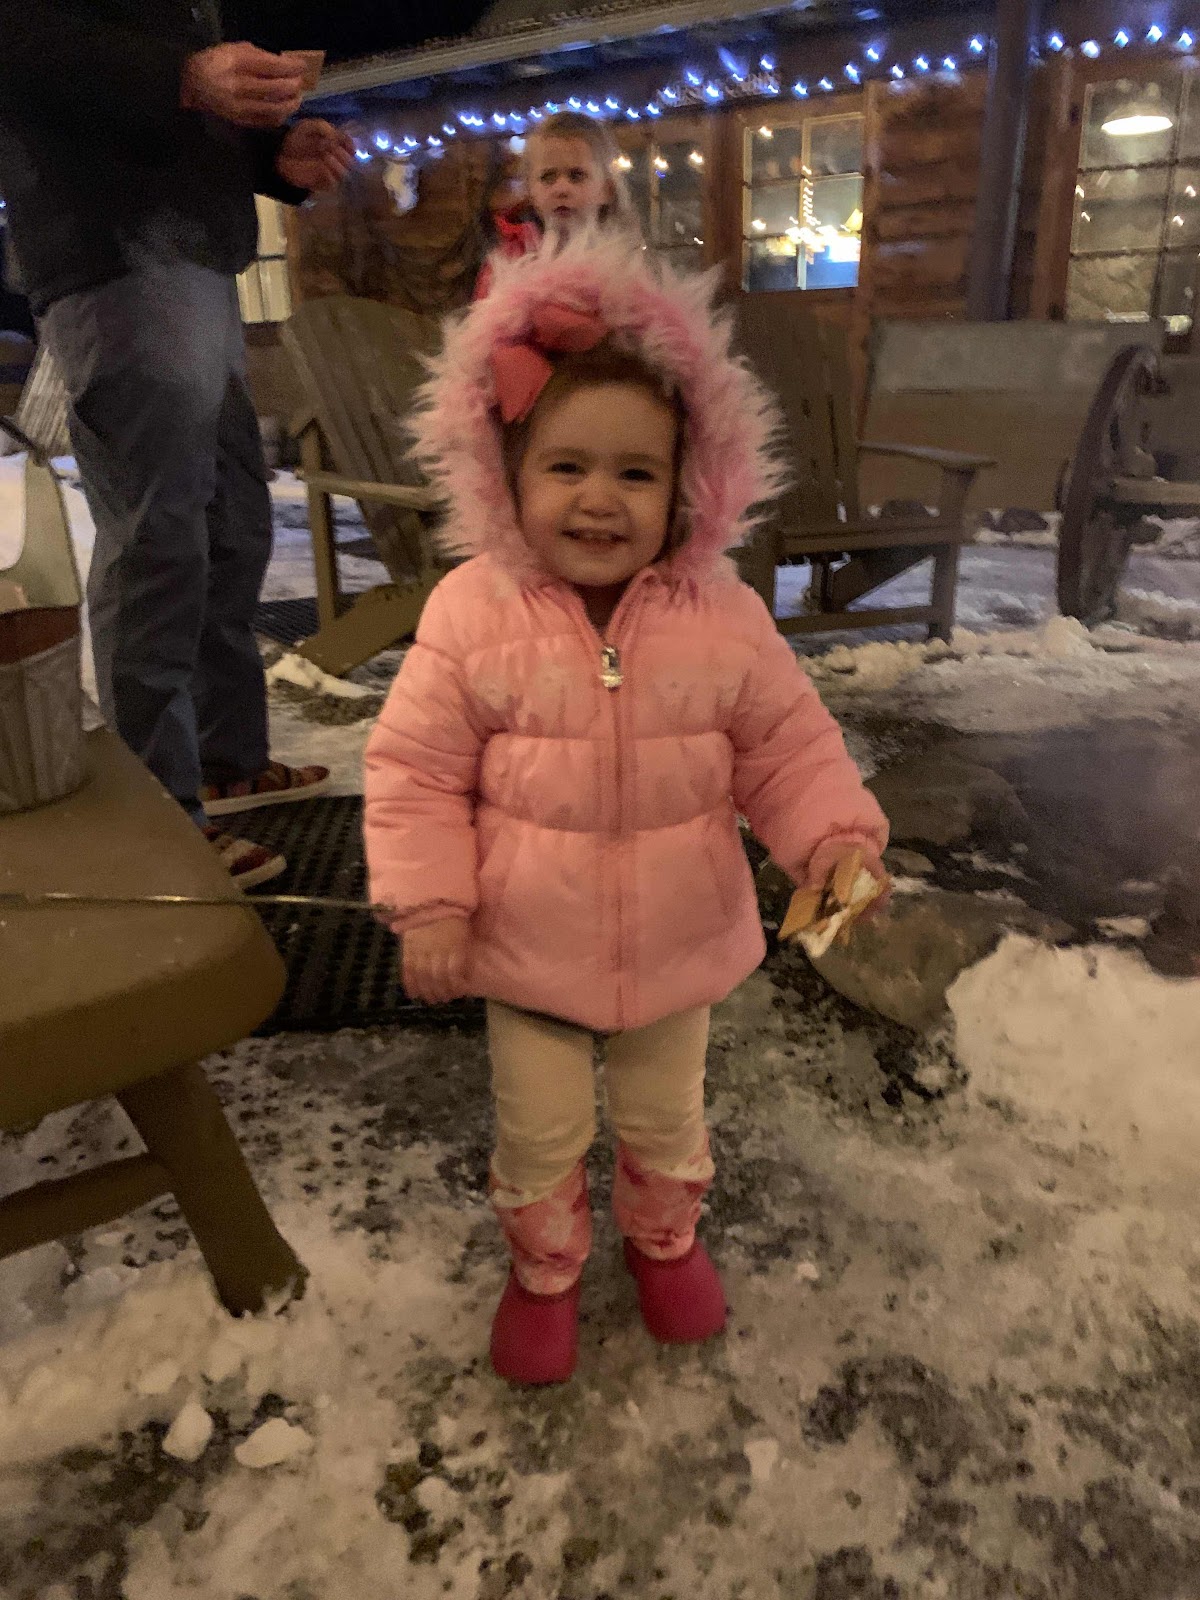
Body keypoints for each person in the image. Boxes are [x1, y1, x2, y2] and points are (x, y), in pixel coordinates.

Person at [363, 239, 890, 1385]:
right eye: (566, 467)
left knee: (665, 1121)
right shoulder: (472, 614)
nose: (600, 497)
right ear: (506, 477)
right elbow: (415, 770)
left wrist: (835, 840)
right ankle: (544, 1272)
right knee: (540, 1130)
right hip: (525, 945)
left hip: (676, 938)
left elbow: (788, 746)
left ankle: (665, 1242)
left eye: (637, 474)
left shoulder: (721, 616)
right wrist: (432, 901)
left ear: (690, 489)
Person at [0, 4, 356, 886]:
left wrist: (269, 158)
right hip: (115, 253)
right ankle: (161, 815)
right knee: (158, 539)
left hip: (193, 253)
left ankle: (228, 761)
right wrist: (185, 77)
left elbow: (175, 105)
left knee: (232, 524)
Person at [473, 111, 640, 299]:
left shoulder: (626, 265)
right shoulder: (506, 266)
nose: (561, 189)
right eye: (548, 177)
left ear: (606, 189)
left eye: (576, 175)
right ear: (531, 192)